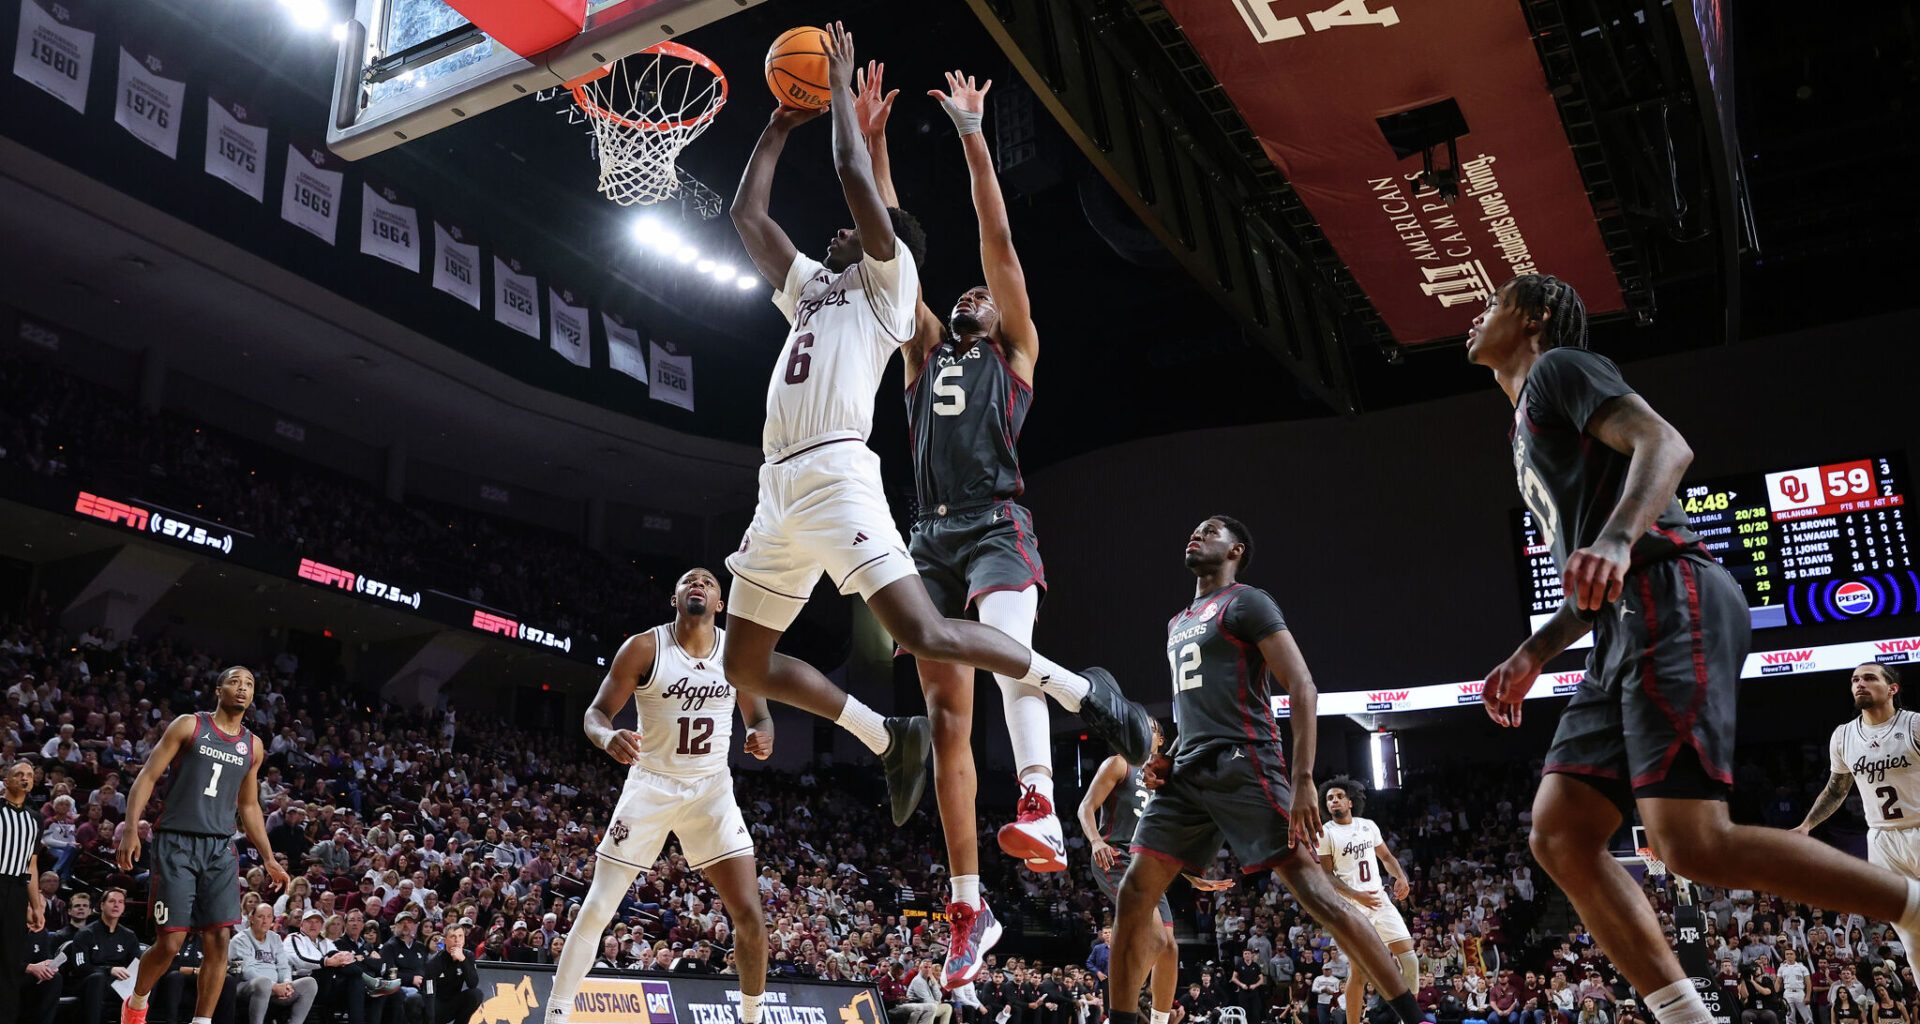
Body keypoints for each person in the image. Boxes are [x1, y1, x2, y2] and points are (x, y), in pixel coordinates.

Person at [725, 22, 1152, 834]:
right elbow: (747, 217)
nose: (837, 230)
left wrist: (849, 95)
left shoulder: (894, 289)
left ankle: (1078, 698)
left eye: (855, 229)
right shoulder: (817, 286)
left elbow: (864, 183)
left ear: (888, 247)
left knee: (921, 634)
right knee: (742, 663)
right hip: (778, 485)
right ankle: (886, 735)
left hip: (852, 479)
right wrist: (779, 123)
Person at [1467, 275, 1920, 1024]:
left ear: (1536, 316)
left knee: (1690, 843)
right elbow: (1594, 576)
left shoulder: (1560, 367)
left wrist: (1614, 537)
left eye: (1494, 303)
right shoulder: (1523, 426)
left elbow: (1665, 444)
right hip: (1622, 620)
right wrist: (1533, 651)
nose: (1476, 318)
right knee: (1562, 834)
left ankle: (1909, 906)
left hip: (1671, 592)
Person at [852, 57, 1084, 985]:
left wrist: (975, 136)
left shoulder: (1014, 349)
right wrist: (870, 143)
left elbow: (996, 234)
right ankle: (966, 907)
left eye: (986, 294)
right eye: (967, 294)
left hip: (995, 523)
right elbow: (891, 243)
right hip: (928, 534)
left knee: (1003, 648)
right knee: (949, 723)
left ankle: (1040, 798)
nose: (973, 292)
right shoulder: (925, 348)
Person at [1108, 517, 1428, 1024]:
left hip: (1245, 761)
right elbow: (1193, 701)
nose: (1196, 533)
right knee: (1134, 890)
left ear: (1235, 550)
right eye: (1194, 528)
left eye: (1209, 530)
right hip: (1187, 772)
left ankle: (1412, 1017)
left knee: (1319, 897)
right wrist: (1169, 754)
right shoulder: (1176, 621)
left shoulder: (1247, 601)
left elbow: (1302, 686)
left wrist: (1303, 780)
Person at [545, 569, 774, 1024]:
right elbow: (596, 713)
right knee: (597, 907)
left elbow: (761, 718)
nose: (699, 585)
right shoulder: (645, 647)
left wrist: (761, 735)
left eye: (708, 582)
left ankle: (752, 1018)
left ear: (720, 604)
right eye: (690, 580)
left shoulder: (736, 652)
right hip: (651, 784)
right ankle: (555, 1013)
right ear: (674, 598)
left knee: (749, 914)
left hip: (710, 789)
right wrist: (606, 737)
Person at [121, 667, 289, 1024]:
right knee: (170, 943)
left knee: (219, 942)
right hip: (176, 842)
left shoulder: (253, 745)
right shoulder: (189, 725)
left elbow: (248, 806)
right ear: (218, 690)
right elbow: (147, 776)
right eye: (235, 682)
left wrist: (269, 857)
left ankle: (202, 1022)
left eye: (249, 684)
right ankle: (136, 1002)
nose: (242, 688)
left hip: (219, 847)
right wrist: (130, 830)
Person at [1081, 727, 1228, 1024]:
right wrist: (1096, 841)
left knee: (1170, 946)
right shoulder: (1119, 763)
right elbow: (1086, 807)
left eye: (1148, 727)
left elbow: (1166, 835)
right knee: (1158, 939)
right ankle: (1119, 1011)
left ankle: (1160, 1020)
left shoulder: (1165, 780)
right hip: (1116, 856)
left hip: (1146, 865)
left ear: (1160, 739)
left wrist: (1190, 875)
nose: (1139, 731)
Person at [1798, 662, 1920, 959]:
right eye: (1855, 680)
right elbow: (1836, 789)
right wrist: (1806, 826)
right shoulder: (1843, 736)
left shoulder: (1914, 725)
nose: (1859, 684)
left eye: (1868, 678)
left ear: (1892, 688)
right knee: (1911, 938)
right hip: (1881, 838)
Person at [1317, 777, 1419, 1024]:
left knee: (1410, 961)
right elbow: (1326, 875)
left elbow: (1386, 856)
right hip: (1351, 908)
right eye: (1329, 798)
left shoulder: (1368, 825)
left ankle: (1411, 1020)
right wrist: (1356, 895)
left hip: (1380, 901)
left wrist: (1401, 876)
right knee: (1359, 972)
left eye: (1339, 796)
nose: (1334, 801)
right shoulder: (1326, 833)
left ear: (1350, 802)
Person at [3, 758, 47, 1024]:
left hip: (17, 891)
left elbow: (31, 864)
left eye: (29, 774)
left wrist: (36, 905)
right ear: (6, 781)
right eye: (19, 773)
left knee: (10, 962)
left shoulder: (36, 818)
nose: (25, 777)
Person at [233, 902, 317, 1024]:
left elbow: (283, 965)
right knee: (263, 983)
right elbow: (246, 970)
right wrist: (274, 985)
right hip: (245, 986)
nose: (265, 920)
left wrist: (287, 983)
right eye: (260, 916)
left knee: (310, 983)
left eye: (268, 917)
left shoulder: (275, 938)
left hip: (276, 988)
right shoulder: (240, 939)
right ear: (251, 919)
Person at [70, 887, 143, 1024]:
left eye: (121, 902)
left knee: (147, 981)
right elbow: (80, 966)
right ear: (102, 905)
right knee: (98, 978)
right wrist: (109, 970)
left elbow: (136, 964)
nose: (116, 905)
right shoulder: (85, 934)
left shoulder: (129, 935)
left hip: (120, 984)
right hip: (92, 981)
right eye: (112, 901)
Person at [288, 908, 365, 1024]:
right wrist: (326, 961)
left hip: (326, 983)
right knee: (332, 956)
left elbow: (340, 959)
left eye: (317, 922)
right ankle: (370, 981)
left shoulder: (325, 941)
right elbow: (300, 960)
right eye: (309, 921)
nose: (313, 925)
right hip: (303, 981)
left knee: (356, 980)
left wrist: (344, 958)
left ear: (322, 925)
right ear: (302, 924)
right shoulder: (294, 937)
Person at [422, 923, 480, 1024]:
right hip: (436, 1005)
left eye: (460, 936)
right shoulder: (434, 962)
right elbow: (429, 994)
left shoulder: (468, 956)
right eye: (453, 936)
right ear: (445, 941)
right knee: (414, 1001)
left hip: (453, 1003)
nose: (457, 940)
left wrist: (463, 960)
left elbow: (473, 984)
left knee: (476, 994)